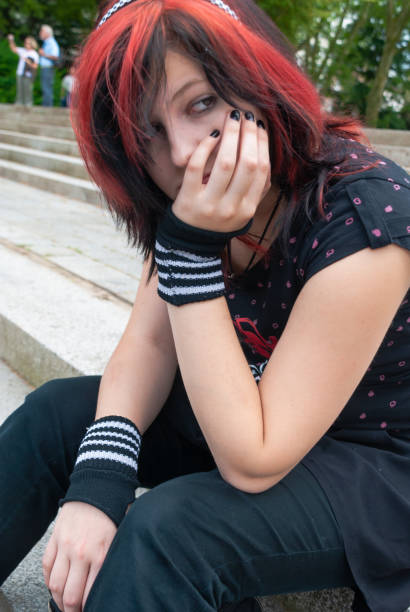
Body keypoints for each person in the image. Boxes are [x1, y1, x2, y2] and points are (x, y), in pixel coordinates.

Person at [0, 1, 409, 611]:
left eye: (201, 103)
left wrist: (190, 253)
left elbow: (254, 460)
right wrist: (98, 483)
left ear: (258, 81)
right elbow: (149, 343)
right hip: (251, 411)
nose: (189, 152)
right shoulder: (189, 200)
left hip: (372, 462)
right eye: (150, 132)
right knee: (58, 413)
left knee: (169, 531)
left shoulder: (363, 217)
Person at [7, 34, 39, 106]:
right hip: (20, 73)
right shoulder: (23, 50)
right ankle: (19, 103)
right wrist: (11, 40)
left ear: (31, 44)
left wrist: (27, 61)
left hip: (28, 74)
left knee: (27, 90)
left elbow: (35, 66)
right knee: (19, 90)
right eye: (25, 42)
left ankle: (28, 104)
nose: (25, 44)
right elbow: (13, 48)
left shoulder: (34, 54)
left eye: (27, 43)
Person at [38, 24, 60, 106]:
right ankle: (46, 106)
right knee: (45, 88)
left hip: (48, 68)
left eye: (42, 31)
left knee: (46, 88)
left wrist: (43, 54)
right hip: (46, 68)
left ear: (47, 33)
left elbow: (55, 56)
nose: (40, 33)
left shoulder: (51, 43)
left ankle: (47, 108)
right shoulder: (47, 43)